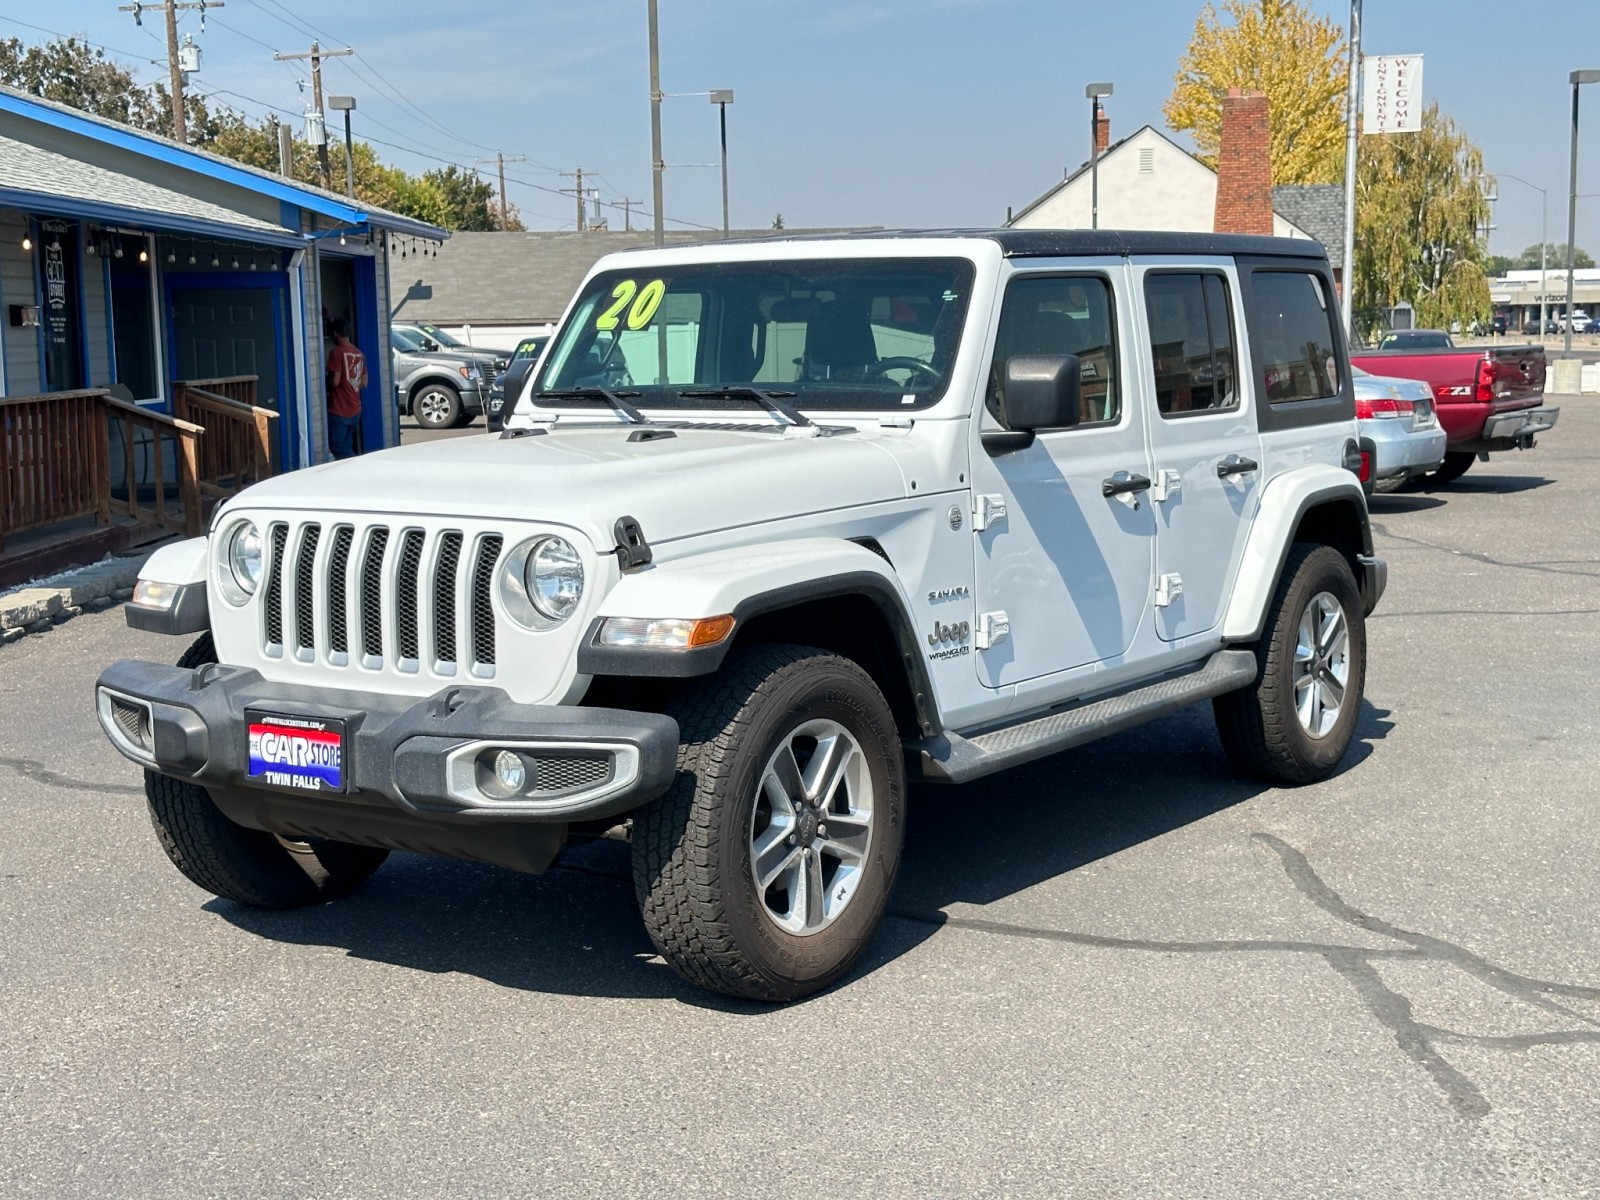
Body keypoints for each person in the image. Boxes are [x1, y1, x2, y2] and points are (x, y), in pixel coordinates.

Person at [326, 318, 366, 459]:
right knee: (346, 444)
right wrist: (351, 388)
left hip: (339, 409)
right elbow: (364, 382)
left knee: (336, 445)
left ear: (335, 333)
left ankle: (359, 464)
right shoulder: (359, 353)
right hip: (355, 408)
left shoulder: (337, 353)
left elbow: (335, 381)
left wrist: (327, 386)